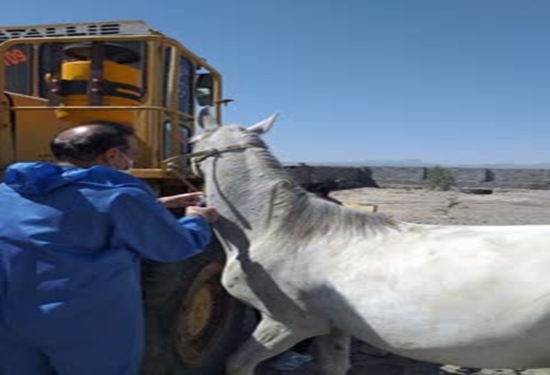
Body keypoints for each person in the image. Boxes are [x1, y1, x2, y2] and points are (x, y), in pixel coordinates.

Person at [0, 121, 218, 375]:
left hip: (13, 321)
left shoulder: (10, 191)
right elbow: (175, 246)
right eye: (132, 155)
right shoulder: (121, 198)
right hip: (87, 328)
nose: (131, 163)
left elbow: (66, 215)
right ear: (113, 155)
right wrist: (197, 219)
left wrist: (153, 206)